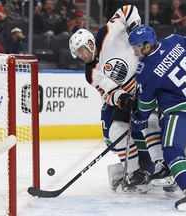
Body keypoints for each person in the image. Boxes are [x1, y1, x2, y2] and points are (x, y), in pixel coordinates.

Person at [69, 5, 171, 193]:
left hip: (148, 80)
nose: (80, 56)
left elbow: (128, 9)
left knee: (150, 121)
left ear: (89, 44)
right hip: (131, 93)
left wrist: (134, 27)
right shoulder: (90, 73)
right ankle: (135, 172)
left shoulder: (105, 36)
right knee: (115, 131)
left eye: (80, 51)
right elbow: (109, 91)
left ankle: (162, 165)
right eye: (77, 54)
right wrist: (123, 99)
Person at [128, 24, 186, 210]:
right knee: (165, 119)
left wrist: (138, 117)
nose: (135, 52)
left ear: (147, 45)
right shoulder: (175, 40)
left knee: (171, 149)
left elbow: (145, 107)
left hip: (185, 109)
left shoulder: (145, 71)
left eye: (136, 47)